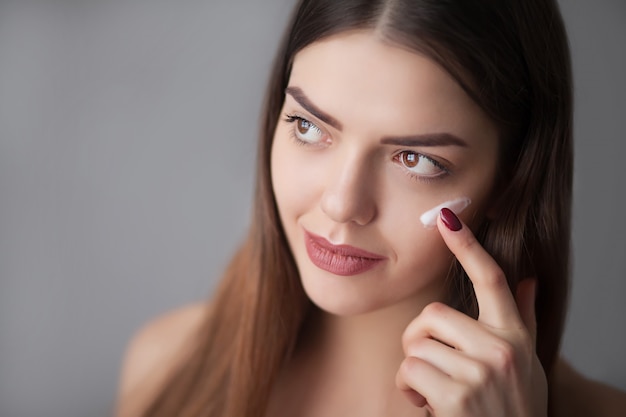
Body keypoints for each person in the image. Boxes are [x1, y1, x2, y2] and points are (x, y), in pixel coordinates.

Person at [115, 0, 626, 416]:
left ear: (513, 178)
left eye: (415, 159)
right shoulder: (165, 365)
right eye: (309, 127)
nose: (341, 204)